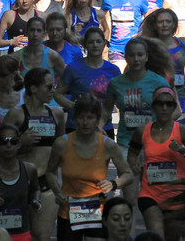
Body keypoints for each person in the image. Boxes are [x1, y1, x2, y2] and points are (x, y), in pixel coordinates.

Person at [47, 94, 135, 241]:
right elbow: (50, 172)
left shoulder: (108, 145)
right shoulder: (62, 143)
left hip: (97, 212)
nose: (85, 122)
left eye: (90, 117)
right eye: (81, 117)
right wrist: (57, 191)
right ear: (75, 118)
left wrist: (113, 184)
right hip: (68, 212)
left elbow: (128, 174)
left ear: (97, 119)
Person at [128, 86, 185, 241]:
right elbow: (132, 153)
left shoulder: (183, 131)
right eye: (160, 103)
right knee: (157, 235)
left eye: (169, 104)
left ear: (174, 107)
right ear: (153, 106)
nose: (164, 108)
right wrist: (133, 163)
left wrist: (183, 151)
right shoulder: (142, 131)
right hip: (149, 193)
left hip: (176, 195)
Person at [2, 67, 66, 241]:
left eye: (53, 86)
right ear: (33, 88)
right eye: (49, 86)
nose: (52, 90)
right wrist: (21, 142)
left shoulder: (57, 114)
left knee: (42, 236)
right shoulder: (16, 114)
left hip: (46, 182)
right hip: (19, 182)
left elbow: (61, 150)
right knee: (15, 235)